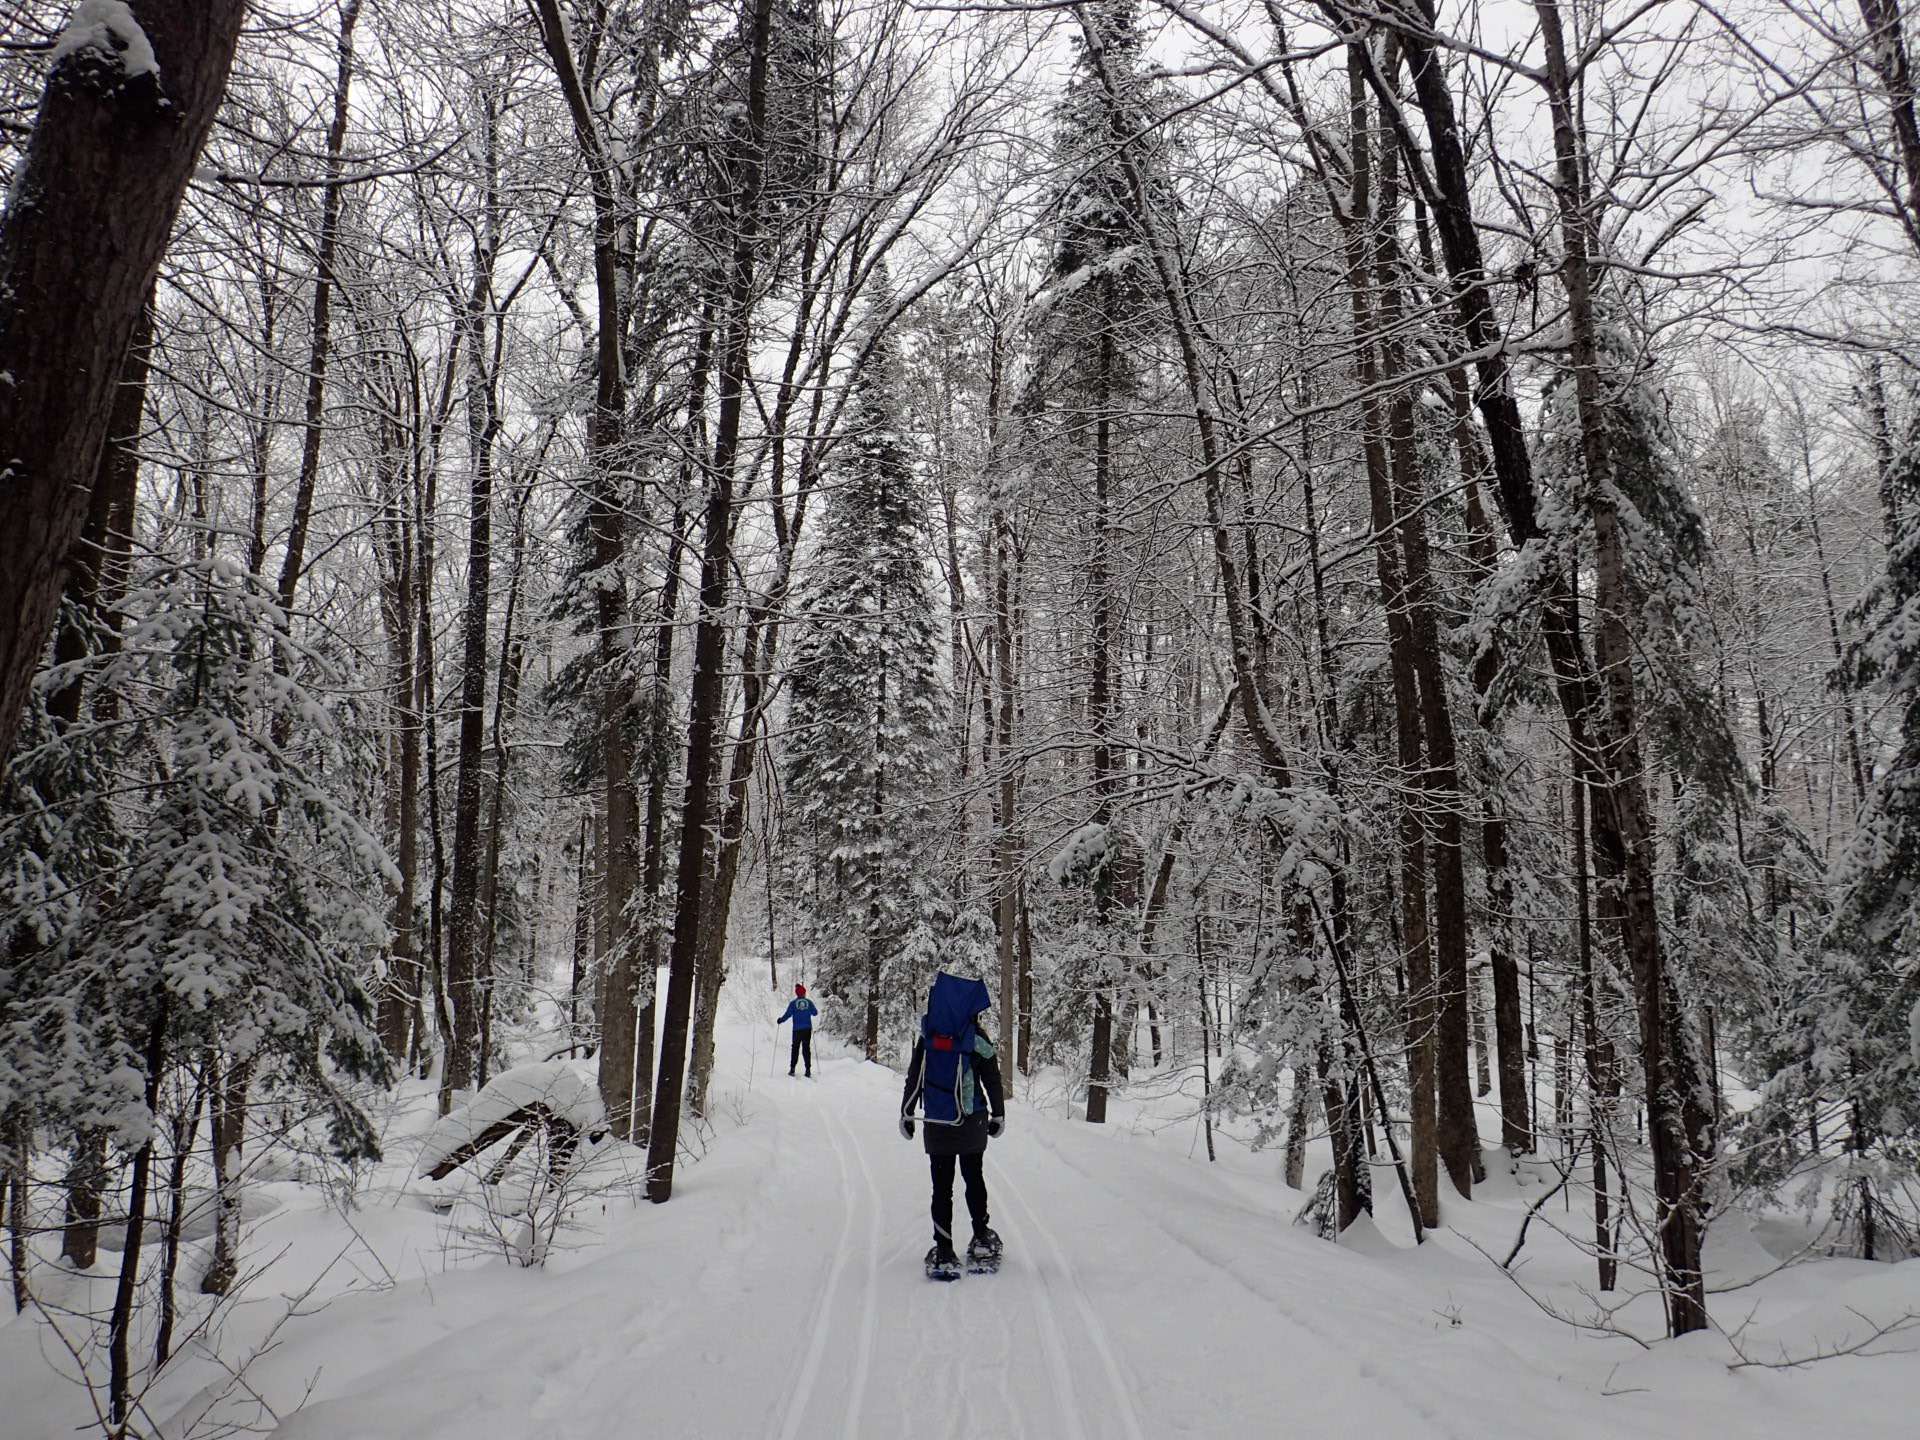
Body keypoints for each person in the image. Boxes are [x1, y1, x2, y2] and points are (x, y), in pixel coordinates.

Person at [899, 972, 1006, 1278]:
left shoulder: (929, 1037)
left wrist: (907, 1114)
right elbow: (992, 1078)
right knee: (974, 1179)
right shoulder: (976, 1039)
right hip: (972, 1120)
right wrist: (998, 1115)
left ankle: (944, 1250)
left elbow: (914, 1077)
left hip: (938, 1121)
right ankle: (981, 1239)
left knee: (941, 1187)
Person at [775, 984, 818, 1076]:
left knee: (795, 1048)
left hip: (797, 1030)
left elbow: (788, 1014)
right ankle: (808, 1070)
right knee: (806, 1048)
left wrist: (781, 1020)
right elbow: (815, 1013)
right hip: (807, 1029)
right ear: (804, 993)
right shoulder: (809, 1002)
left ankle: (792, 1069)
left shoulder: (793, 1003)